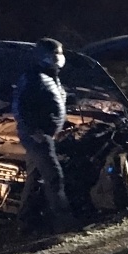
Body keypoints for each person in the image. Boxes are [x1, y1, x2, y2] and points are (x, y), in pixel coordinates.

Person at [12, 38, 76, 232]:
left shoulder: (50, 76)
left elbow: (52, 100)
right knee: (54, 177)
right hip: (39, 137)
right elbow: (20, 107)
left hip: (43, 135)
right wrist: (35, 132)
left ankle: (25, 221)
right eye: (58, 53)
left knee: (34, 177)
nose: (61, 57)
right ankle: (64, 224)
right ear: (46, 56)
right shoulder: (35, 78)